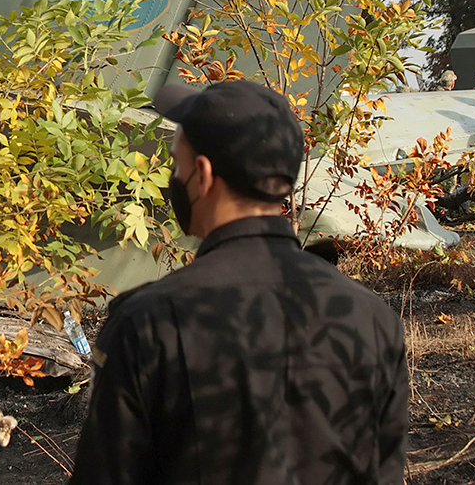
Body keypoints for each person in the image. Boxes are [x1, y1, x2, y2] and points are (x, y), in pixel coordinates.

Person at [67, 80, 408, 485]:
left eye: (177, 165)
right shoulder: (374, 318)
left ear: (204, 175)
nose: (174, 178)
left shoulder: (146, 324)